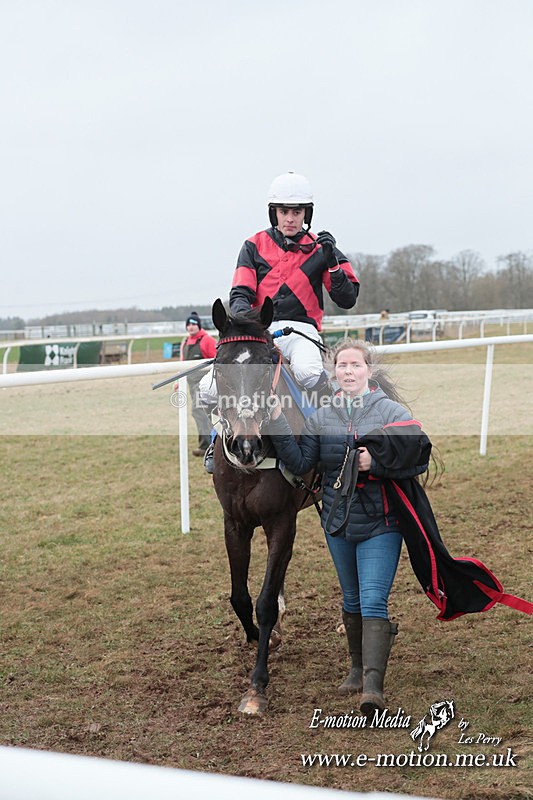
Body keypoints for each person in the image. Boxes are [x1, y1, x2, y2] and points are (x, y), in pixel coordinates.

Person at [266, 338, 533, 714]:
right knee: (352, 599)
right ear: (333, 372)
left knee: (374, 598)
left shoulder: (388, 410)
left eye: (355, 365)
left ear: (368, 371)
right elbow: (300, 461)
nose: (348, 372)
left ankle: (372, 688)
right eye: (342, 366)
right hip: (336, 523)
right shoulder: (319, 416)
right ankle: (356, 670)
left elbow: (417, 451)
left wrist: (374, 461)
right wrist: (278, 421)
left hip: (383, 522)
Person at [200, 170, 360, 471]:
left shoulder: (321, 248)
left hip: (302, 330)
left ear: (306, 213)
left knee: (310, 372)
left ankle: (330, 437)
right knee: (208, 389)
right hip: (259, 330)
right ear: (274, 213)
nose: (290, 218)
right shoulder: (252, 245)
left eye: (296, 212)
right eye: (284, 211)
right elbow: (239, 294)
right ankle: (215, 441)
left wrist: (333, 262)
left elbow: (347, 298)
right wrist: (250, 326)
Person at [177, 312, 217, 456]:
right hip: (191, 384)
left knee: (198, 411)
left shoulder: (207, 340)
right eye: (188, 324)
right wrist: (178, 381)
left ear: (198, 325)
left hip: (205, 384)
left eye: (194, 324)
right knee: (203, 413)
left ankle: (207, 445)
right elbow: (183, 363)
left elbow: (216, 361)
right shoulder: (186, 342)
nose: (191, 327)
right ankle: (212, 442)